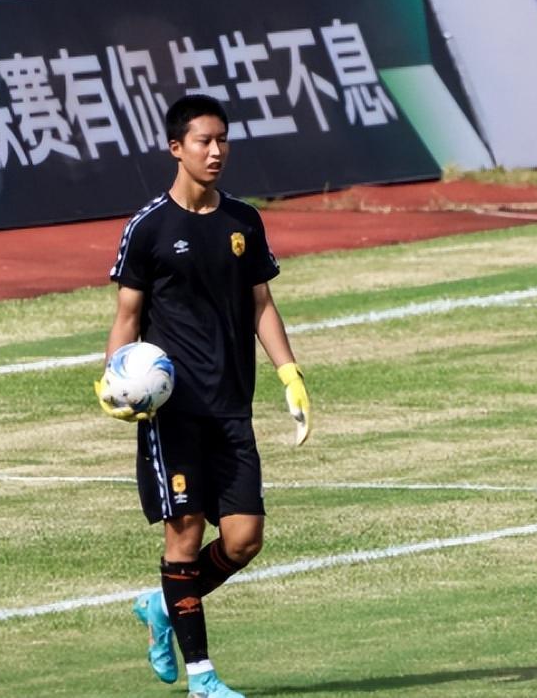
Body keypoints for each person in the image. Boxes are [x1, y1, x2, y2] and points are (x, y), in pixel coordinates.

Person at [95, 94, 311, 698]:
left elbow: (261, 304)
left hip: (232, 406)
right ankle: (203, 678)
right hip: (175, 415)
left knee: (244, 539)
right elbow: (127, 316)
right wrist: (112, 379)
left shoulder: (243, 221)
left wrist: (290, 373)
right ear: (176, 148)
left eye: (222, 140)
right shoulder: (149, 228)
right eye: (203, 142)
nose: (216, 152)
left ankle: (162, 605)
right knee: (185, 536)